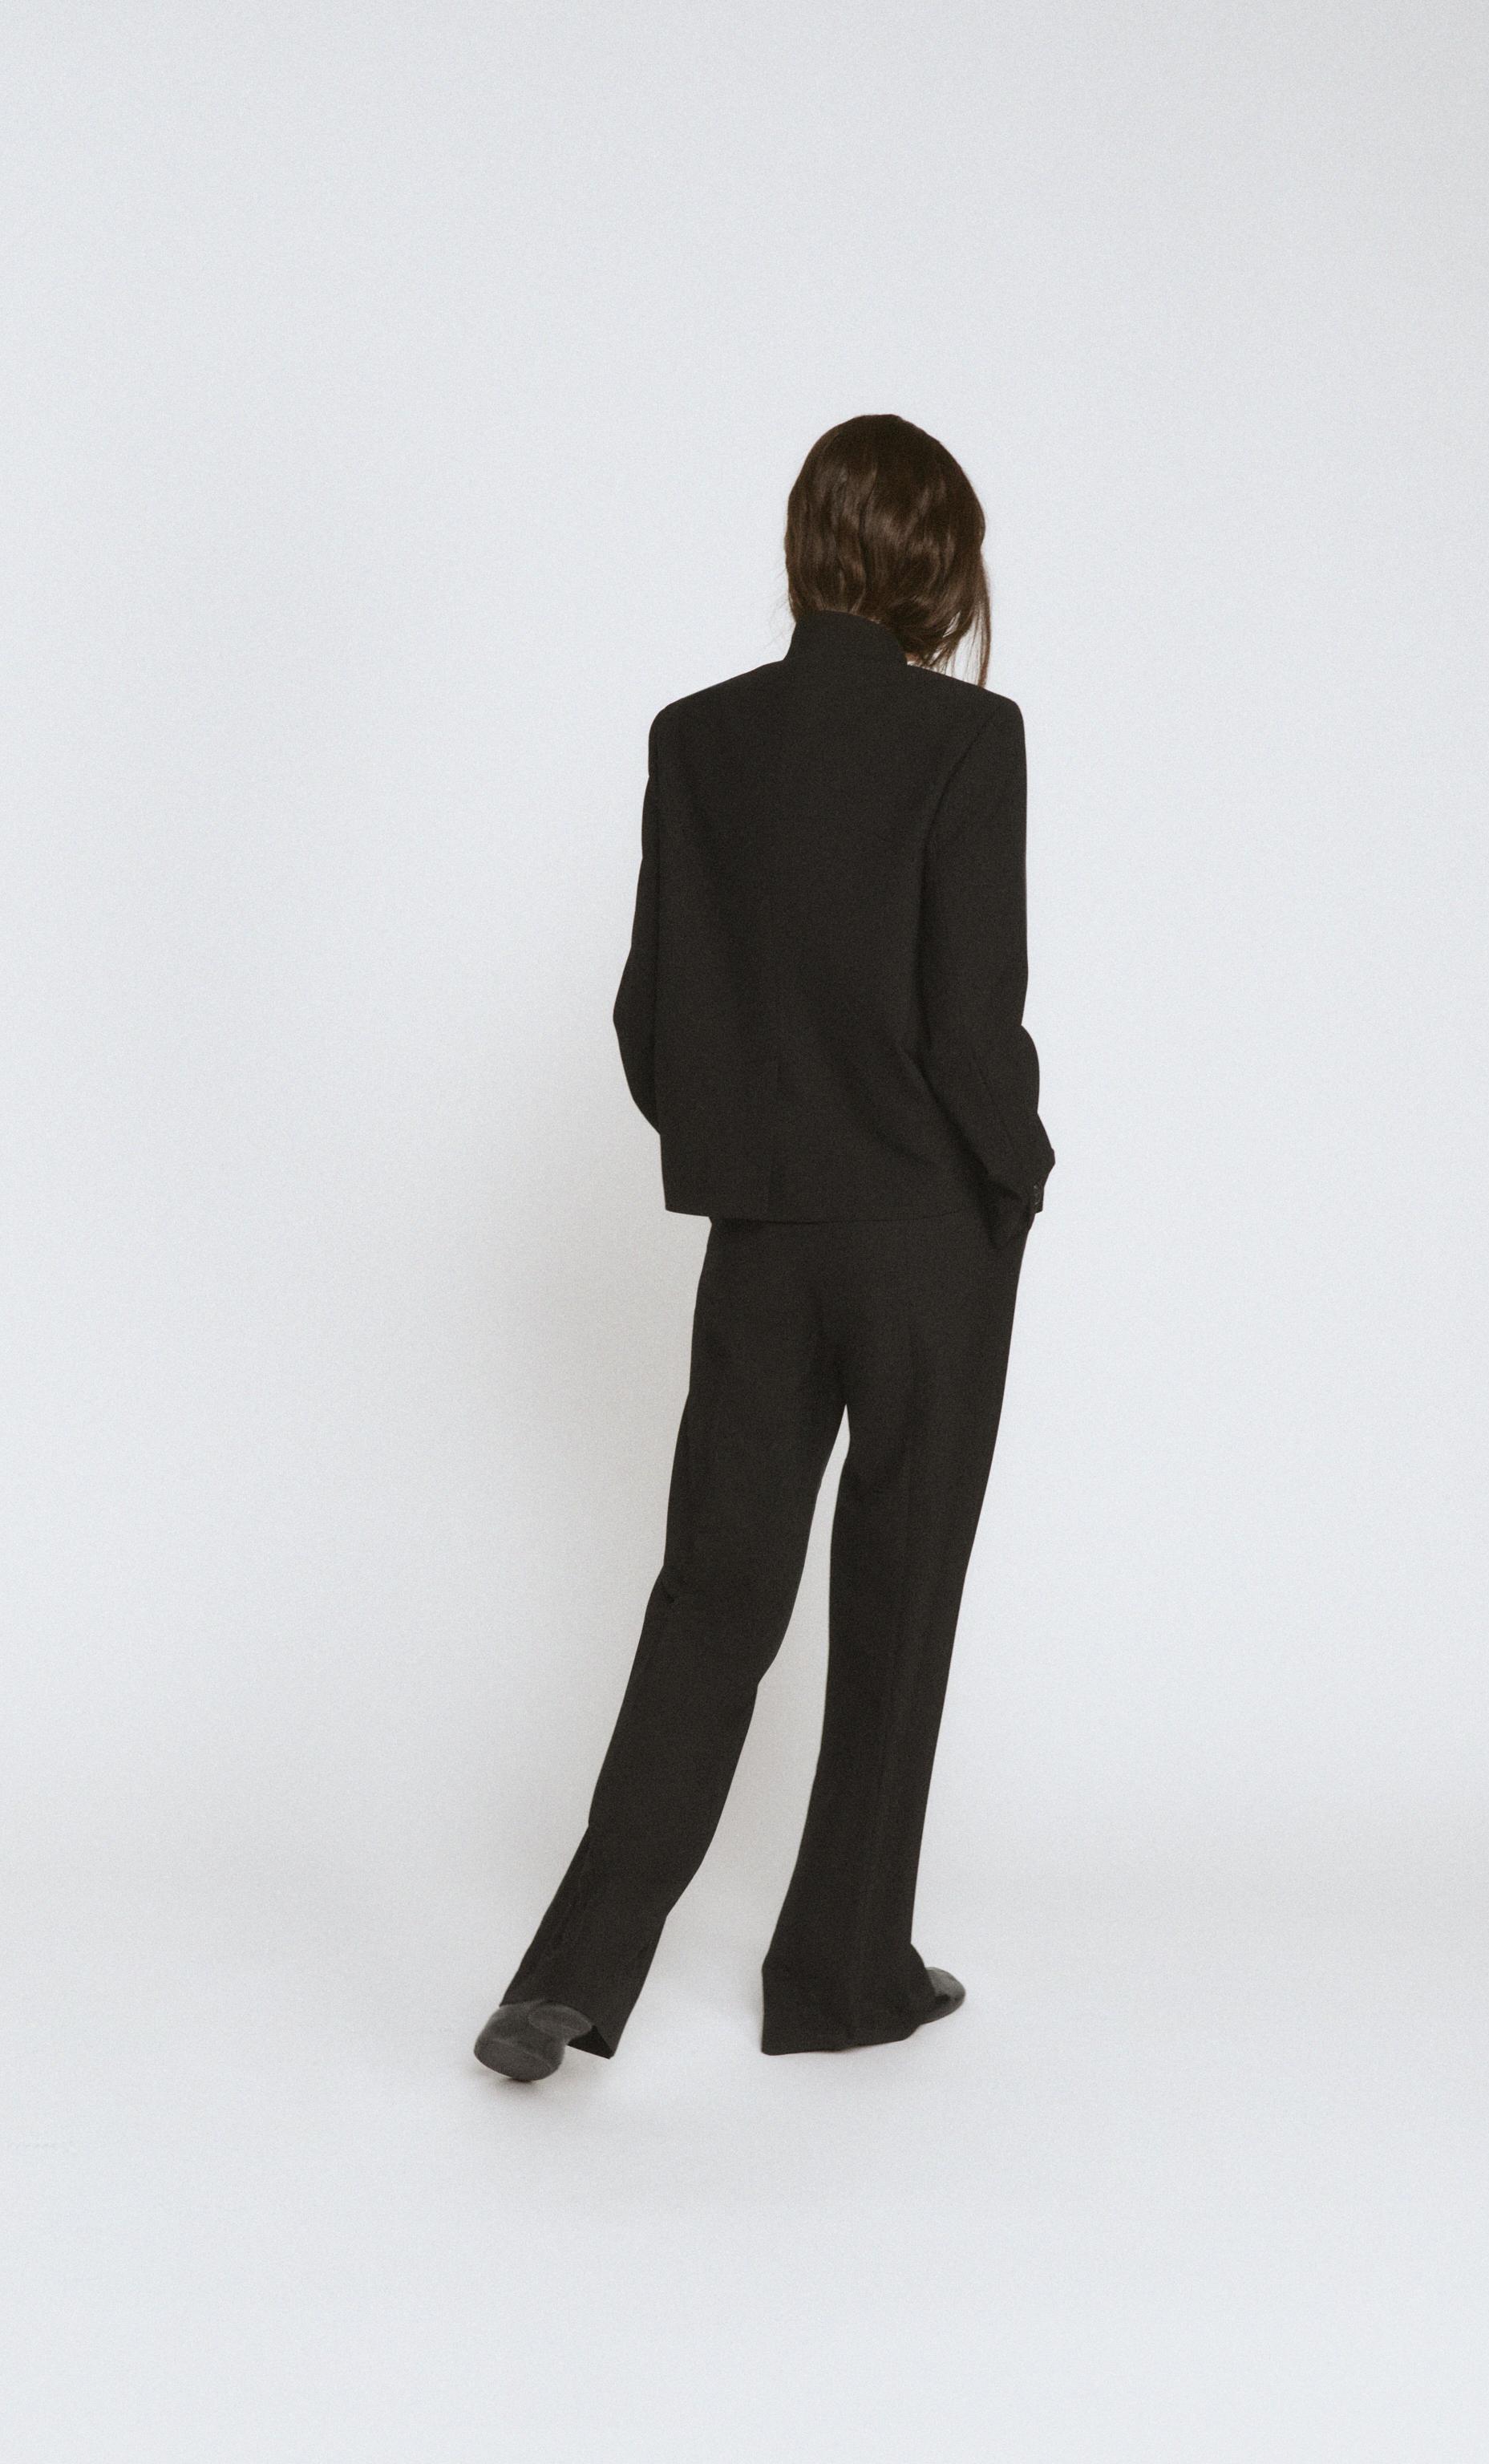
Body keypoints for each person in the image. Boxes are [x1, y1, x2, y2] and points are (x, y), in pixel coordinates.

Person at [474, 413, 1054, 2081]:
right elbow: (970, 1024)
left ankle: (568, 1977)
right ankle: (841, 1975)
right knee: (897, 1595)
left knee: (711, 1595)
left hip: (763, 1238)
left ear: (805, 547)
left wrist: (746, 1153)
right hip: (928, 1232)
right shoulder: (970, 738)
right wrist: (1016, 1175)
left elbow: (651, 1017)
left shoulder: (699, 739)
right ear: (940, 566)